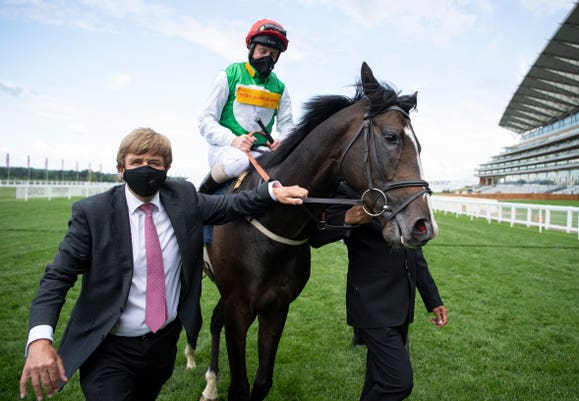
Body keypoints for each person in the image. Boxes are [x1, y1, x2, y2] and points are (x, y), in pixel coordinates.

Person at [19, 127, 307, 401]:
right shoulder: (92, 213)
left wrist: (271, 192)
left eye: (155, 163)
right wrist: (40, 339)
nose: (146, 168)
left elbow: (228, 206)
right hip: (109, 350)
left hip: (161, 346)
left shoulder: (182, 197)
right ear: (121, 168)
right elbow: (57, 278)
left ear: (166, 169)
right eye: (137, 162)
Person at [310, 182, 448, 401]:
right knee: (398, 383)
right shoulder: (345, 192)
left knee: (378, 381)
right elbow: (314, 237)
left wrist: (433, 300)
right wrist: (346, 219)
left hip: (402, 306)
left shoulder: (398, 192)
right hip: (371, 307)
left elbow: (415, 254)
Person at [198, 18, 294, 194]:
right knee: (239, 162)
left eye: (272, 54)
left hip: (261, 151)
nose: (267, 58)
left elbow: (287, 125)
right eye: (262, 51)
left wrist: (283, 142)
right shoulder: (229, 75)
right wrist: (233, 140)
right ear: (251, 48)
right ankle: (202, 196)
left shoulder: (280, 88)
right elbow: (205, 120)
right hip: (225, 149)